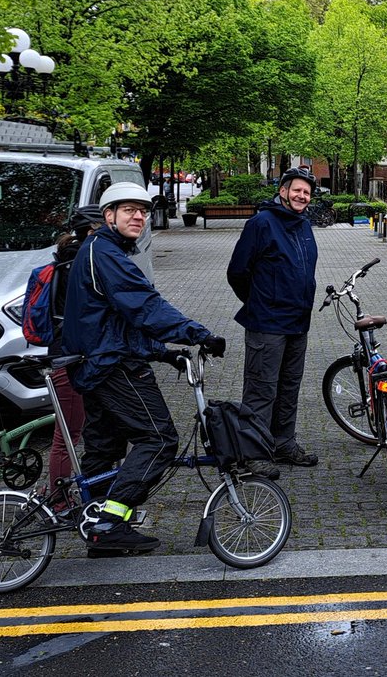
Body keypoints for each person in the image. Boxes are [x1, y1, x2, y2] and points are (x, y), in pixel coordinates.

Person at [63, 182, 226, 556]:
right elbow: (146, 307)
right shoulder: (106, 254)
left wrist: (162, 352)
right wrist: (199, 334)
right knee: (159, 439)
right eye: (128, 210)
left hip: (94, 364)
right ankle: (110, 522)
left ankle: (97, 528)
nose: (138, 216)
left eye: (143, 211)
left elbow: (117, 321)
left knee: (105, 447)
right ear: (109, 216)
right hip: (114, 366)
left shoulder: (98, 249)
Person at [226, 166, 320, 468]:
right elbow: (237, 272)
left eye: (306, 192)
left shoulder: (303, 225)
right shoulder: (261, 223)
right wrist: (260, 302)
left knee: (289, 387)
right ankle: (253, 454)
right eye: (296, 190)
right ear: (282, 191)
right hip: (267, 324)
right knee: (261, 390)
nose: (302, 196)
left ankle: (283, 444)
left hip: (297, 323)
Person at [45, 204, 103, 503]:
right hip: (69, 357)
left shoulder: (67, 258)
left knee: (73, 431)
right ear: (92, 229)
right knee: (67, 436)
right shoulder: (82, 262)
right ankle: (57, 499)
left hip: (69, 353)